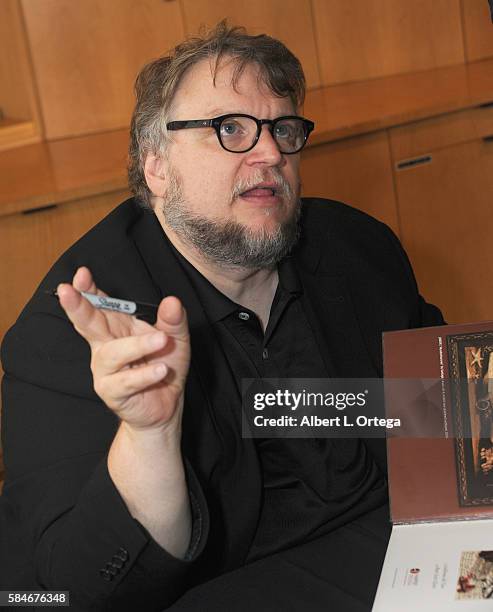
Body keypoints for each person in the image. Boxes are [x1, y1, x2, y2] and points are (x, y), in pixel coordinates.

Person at [0, 23, 444, 611]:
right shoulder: (67, 336)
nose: (271, 153)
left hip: (400, 546)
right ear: (155, 165)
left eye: (283, 128)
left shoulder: (356, 246)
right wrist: (149, 437)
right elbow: (73, 592)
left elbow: (436, 413)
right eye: (228, 128)